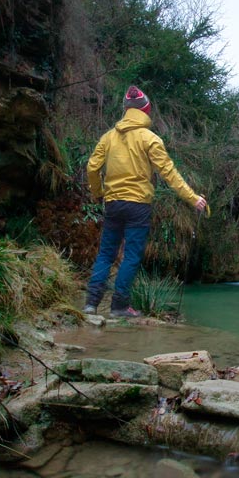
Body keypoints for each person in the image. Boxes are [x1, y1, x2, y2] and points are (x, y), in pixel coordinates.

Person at [84, 85, 207, 317]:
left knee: (106, 253)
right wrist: (193, 199)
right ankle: (119, 306)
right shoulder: (150, 139)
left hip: (112, 202)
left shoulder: (108, 137)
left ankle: (91, 303)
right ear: (146, 111)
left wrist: (97, 192)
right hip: (138, 205)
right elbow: (169, 173)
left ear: (125, 110)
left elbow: (92, 167)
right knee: (131, 255)